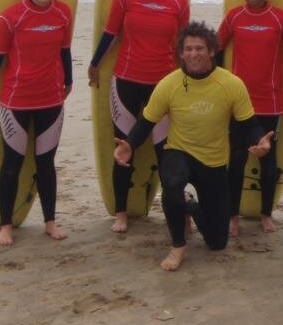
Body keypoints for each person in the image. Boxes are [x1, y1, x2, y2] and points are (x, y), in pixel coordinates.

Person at [115, 21, 274, 271]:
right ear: (181, 53)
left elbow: (249, 124)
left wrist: (260, 140)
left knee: (217, 242)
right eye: (188, 49)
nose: (193, 54)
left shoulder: (231, 84)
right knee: (173, 184)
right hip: (180, 152)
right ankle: (178, 245)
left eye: (200, 48)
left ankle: (187, 203)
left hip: (213, 161)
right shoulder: (169, 84)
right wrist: (130, 145)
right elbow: (147, 121)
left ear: (212, 51)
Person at [0, 0, 73, 246]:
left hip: (51, 101)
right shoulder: (10, 17)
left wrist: (70, 81)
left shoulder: (63, 14)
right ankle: (6, 225)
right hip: (15, 102)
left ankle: (50, 222)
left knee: (46, 164)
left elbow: (65, 50)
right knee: (12, 164)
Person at [88, 0, 189, 233]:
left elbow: (181, 46)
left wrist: (187, 80)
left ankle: (177, 210)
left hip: (162, 87)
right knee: (124, 148)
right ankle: (121, 213)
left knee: (165, 152)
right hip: (126, 84)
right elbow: (110, 34)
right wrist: (95, 64)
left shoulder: (178, 2)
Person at [216, 0, 283, 236]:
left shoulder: (280, 18)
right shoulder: (234, 17)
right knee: (236, 160)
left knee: (268, 161)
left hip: (271, 102)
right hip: (239, 103)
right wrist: (221, 81)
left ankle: (266, 214)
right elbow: (218, 49)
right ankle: (232, 215)